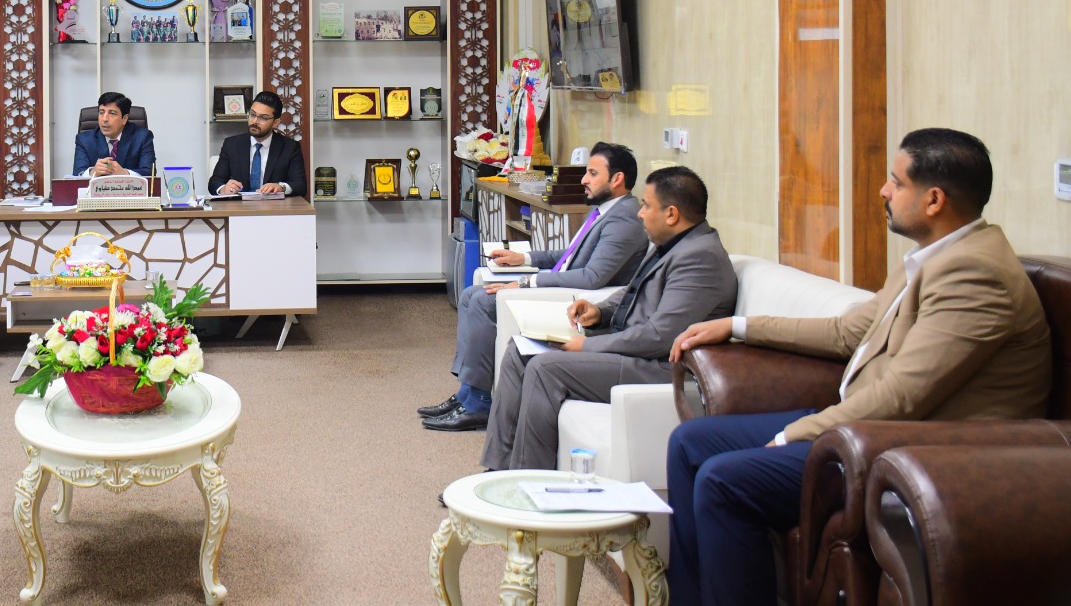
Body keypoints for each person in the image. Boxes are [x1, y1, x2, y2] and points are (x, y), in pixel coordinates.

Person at [665, 128, 1051, 606]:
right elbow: (849, 332)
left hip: (908, 449)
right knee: (689, 443)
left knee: (725, 480)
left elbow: (902, 397)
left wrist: (795, 433)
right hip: (861, 429)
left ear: (934, 200)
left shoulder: (976, 275)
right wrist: (738, 325)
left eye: (896, 182)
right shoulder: (934, 255)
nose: (884, 191)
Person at [481, 165, 737, 471]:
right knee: (520, 350)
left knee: (545, 367)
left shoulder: (700, 258)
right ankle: (497, 470)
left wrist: (587, 347)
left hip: (660, 367)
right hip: (632, 349)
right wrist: (599, 310)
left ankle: (528, 479)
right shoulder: (672, 244)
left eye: (646, 205)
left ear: (671, 214)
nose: (640, 213)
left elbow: (660, 337)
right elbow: (632, 292)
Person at [420, 142, 650, 431]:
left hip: (576, 301)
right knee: (470, 295)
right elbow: (571, 256)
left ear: (617, 179)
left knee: (482, 301)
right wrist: (525, 258)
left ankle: (478, 402)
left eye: (592, 174)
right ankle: (467, 393)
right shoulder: (605, 211)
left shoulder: (624, 220)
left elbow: (592, 277)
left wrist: (526, 282)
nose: (583, 180)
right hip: (561, 287)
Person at [206, 90, 308, 198]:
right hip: (238, 206)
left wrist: (281, 187)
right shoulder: (232, 145)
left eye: (263, 118)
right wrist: (223, 189)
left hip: (273, 206)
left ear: (275, 122)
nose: (255, 121)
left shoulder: (290, 147)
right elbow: (215, 181)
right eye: (253, 114)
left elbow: (300, 186)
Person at [73, 91, 157, 177]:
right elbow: (77, 173)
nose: (105, 119)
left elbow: (150, 172)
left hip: (130, 186)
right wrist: (93, 172)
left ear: (124, 119)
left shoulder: (142, 137)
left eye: (112, 113)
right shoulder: (84, 140)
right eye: (101, 112)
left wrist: (125, 173)